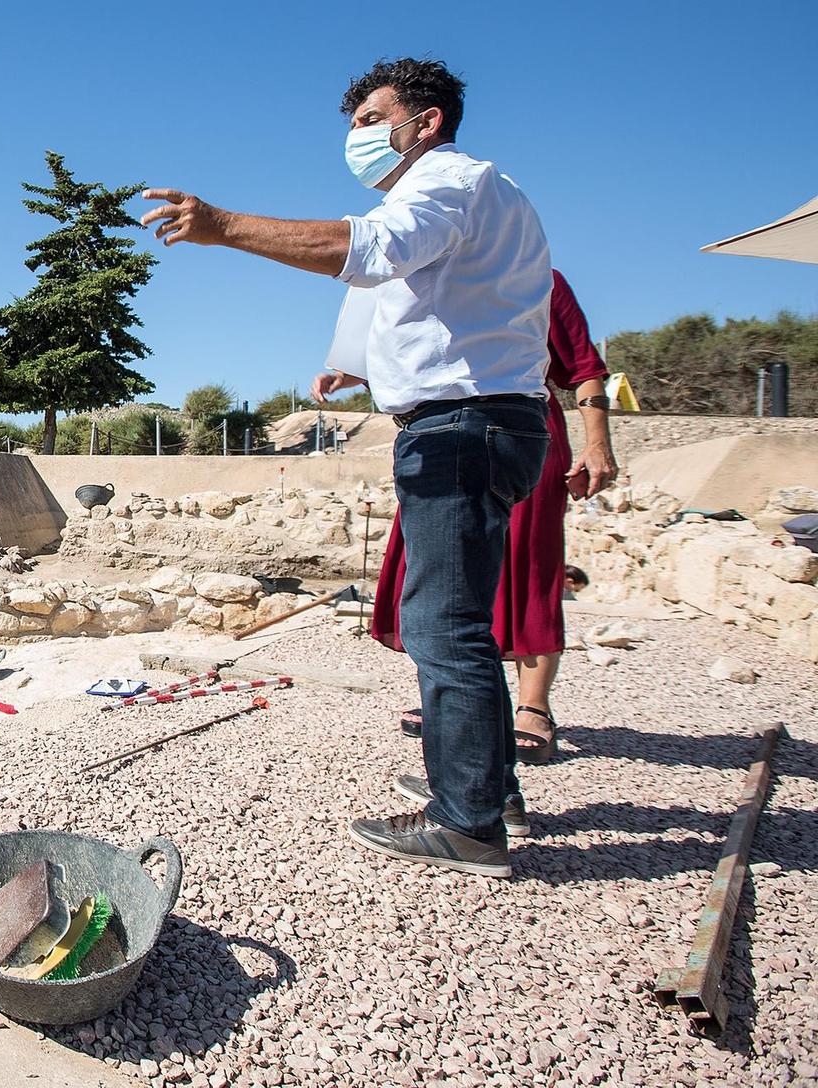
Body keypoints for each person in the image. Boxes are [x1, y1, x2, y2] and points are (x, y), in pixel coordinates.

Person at [140, 57, 552, 879]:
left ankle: (467, 822)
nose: (356, 137)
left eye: (370, 118)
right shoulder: (483, 193)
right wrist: (364, 365)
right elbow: (448, 311)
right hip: (484, 417)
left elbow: (366, 251)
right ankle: (486, 787)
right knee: (461, 615)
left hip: (462, 427)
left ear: (424, 121)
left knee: (443, 624)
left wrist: (222, 225)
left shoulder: (446, 182)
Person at [380, 271, 619, 780]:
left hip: (519, 427)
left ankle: (533, 707)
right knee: (441, 576)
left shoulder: (539, 278)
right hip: (438, 432)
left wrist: (598, 444)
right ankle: (457, 705)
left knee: (528, 567)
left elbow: (583, 368)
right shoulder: (429, 277)